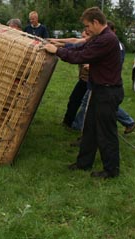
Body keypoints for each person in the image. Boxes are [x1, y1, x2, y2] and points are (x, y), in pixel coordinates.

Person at [44, 7, 124, 179]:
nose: (86, 30)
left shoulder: (107, 39)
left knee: (106, 133)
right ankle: (83, 163)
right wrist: (59, 46)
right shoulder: (100, 37)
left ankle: (111, 171)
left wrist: (57, 51)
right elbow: (79, 49)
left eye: (87, 26)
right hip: (99, 90)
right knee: (90, 129)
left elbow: (82, 57)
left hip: (108, 92)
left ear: (96, 22)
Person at [72, 21, 135, 134]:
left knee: (100, 105)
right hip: (101, 80)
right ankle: (80, 127)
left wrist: (92, 66)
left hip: (107, 82)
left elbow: (116, 63)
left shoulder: (117, 45)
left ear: (113, 31)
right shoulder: (108, 42)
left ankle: (78, 126)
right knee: (95, 104)